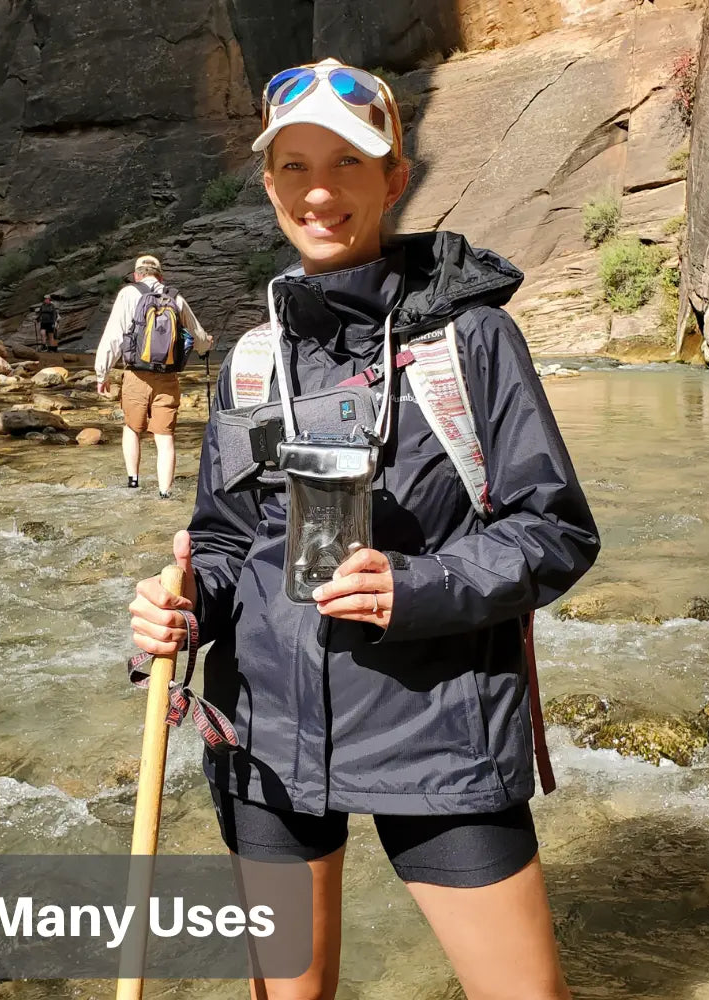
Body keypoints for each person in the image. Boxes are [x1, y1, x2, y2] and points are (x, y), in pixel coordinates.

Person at [127, 58, 600, 999]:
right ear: (269, 186)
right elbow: (224, 542)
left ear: (395, 179)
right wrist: (183, 607)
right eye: (295, 167)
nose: (319, 191)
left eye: (347, 163)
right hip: (262, 737)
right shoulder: (251, 361)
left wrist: (415, 588)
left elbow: (555, 530)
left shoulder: (472, 342)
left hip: (441, 731)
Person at [95, 255, 213, 497]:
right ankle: (164, 493)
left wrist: (102, 373)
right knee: (165, 436)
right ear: (161, 276)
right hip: (167, 377)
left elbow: (113, 337)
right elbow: (198, 335)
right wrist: (205, 347)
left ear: (137, 275)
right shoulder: (175, 297)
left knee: (132, 428)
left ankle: (133, 483)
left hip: (136, 375)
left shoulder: (128, 294)